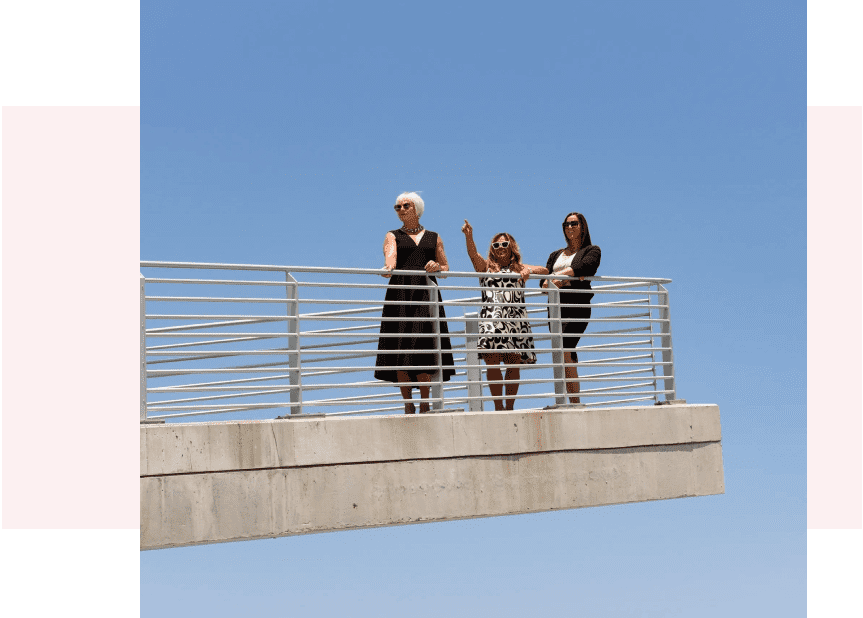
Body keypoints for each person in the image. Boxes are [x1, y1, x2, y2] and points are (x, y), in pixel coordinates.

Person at [374, 192, 456, 414]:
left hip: (426, 295)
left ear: (417, 209)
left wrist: (437, 267)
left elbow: (446, 267)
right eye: (397, 207)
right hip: (401, 294)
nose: (400, 210)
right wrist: (387, 269)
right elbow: (389, 260)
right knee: (402, 348)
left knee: (425, 346)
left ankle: (425, 402)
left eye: (405, 206)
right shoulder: (393, 235)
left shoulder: (434, 237)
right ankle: (408, 403)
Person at [461, 220, 549, 411]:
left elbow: (545, 270)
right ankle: (498, 407)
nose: (500, 247)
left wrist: (529, 271)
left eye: (504, 244)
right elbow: (472, 254)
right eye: (496, 245)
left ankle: (509, 407)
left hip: (515, 320)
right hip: (492, 320)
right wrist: (469, 236)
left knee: (513, 364)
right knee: (491, 362)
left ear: (511, 247)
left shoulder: (519, 268)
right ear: (492, 249)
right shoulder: (486, 268)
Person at [540, 212, 601, 404]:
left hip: (577, 306)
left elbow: (587, 267)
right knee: (564, 352)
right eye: (566, 224)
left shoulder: (592, 250)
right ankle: (570, 400)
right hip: (556, 309)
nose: (570, 227)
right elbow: (544, 280)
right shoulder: (555, 255)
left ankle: (574, 401)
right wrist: (561, 280)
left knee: (566, 347)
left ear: (582, 226)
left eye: (574, 223)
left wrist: (563, 277)